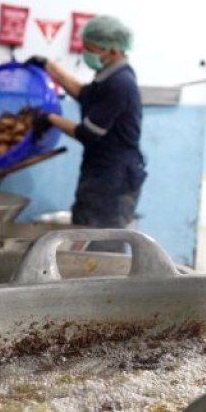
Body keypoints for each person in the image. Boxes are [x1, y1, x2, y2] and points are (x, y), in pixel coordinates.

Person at [28, 15, 148, 251]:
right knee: (86, 233)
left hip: (113, 178)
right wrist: (49, 66)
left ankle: (106, 285)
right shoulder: (110, 75)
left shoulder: (120, 83)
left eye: (91, 49)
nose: (86, 54)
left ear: (113, 51)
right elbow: (85, 94)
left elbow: (88, 133)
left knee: (103, 242)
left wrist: (49, 118)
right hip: (101, 170)